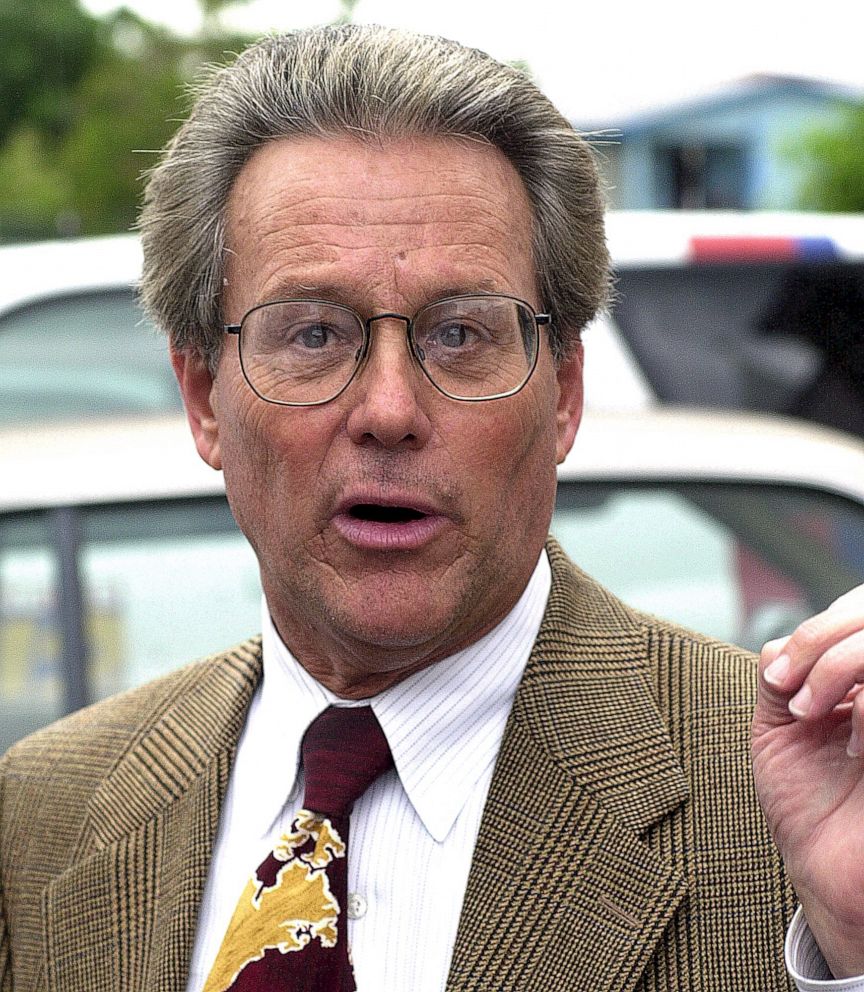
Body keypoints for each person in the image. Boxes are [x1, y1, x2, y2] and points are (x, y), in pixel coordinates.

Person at [1, 24, 863, 992]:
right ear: (204, 394)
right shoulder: (47, 815)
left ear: (564, 389)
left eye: (460, 333)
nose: (389, 410)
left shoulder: (791, 820)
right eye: (314, 333)